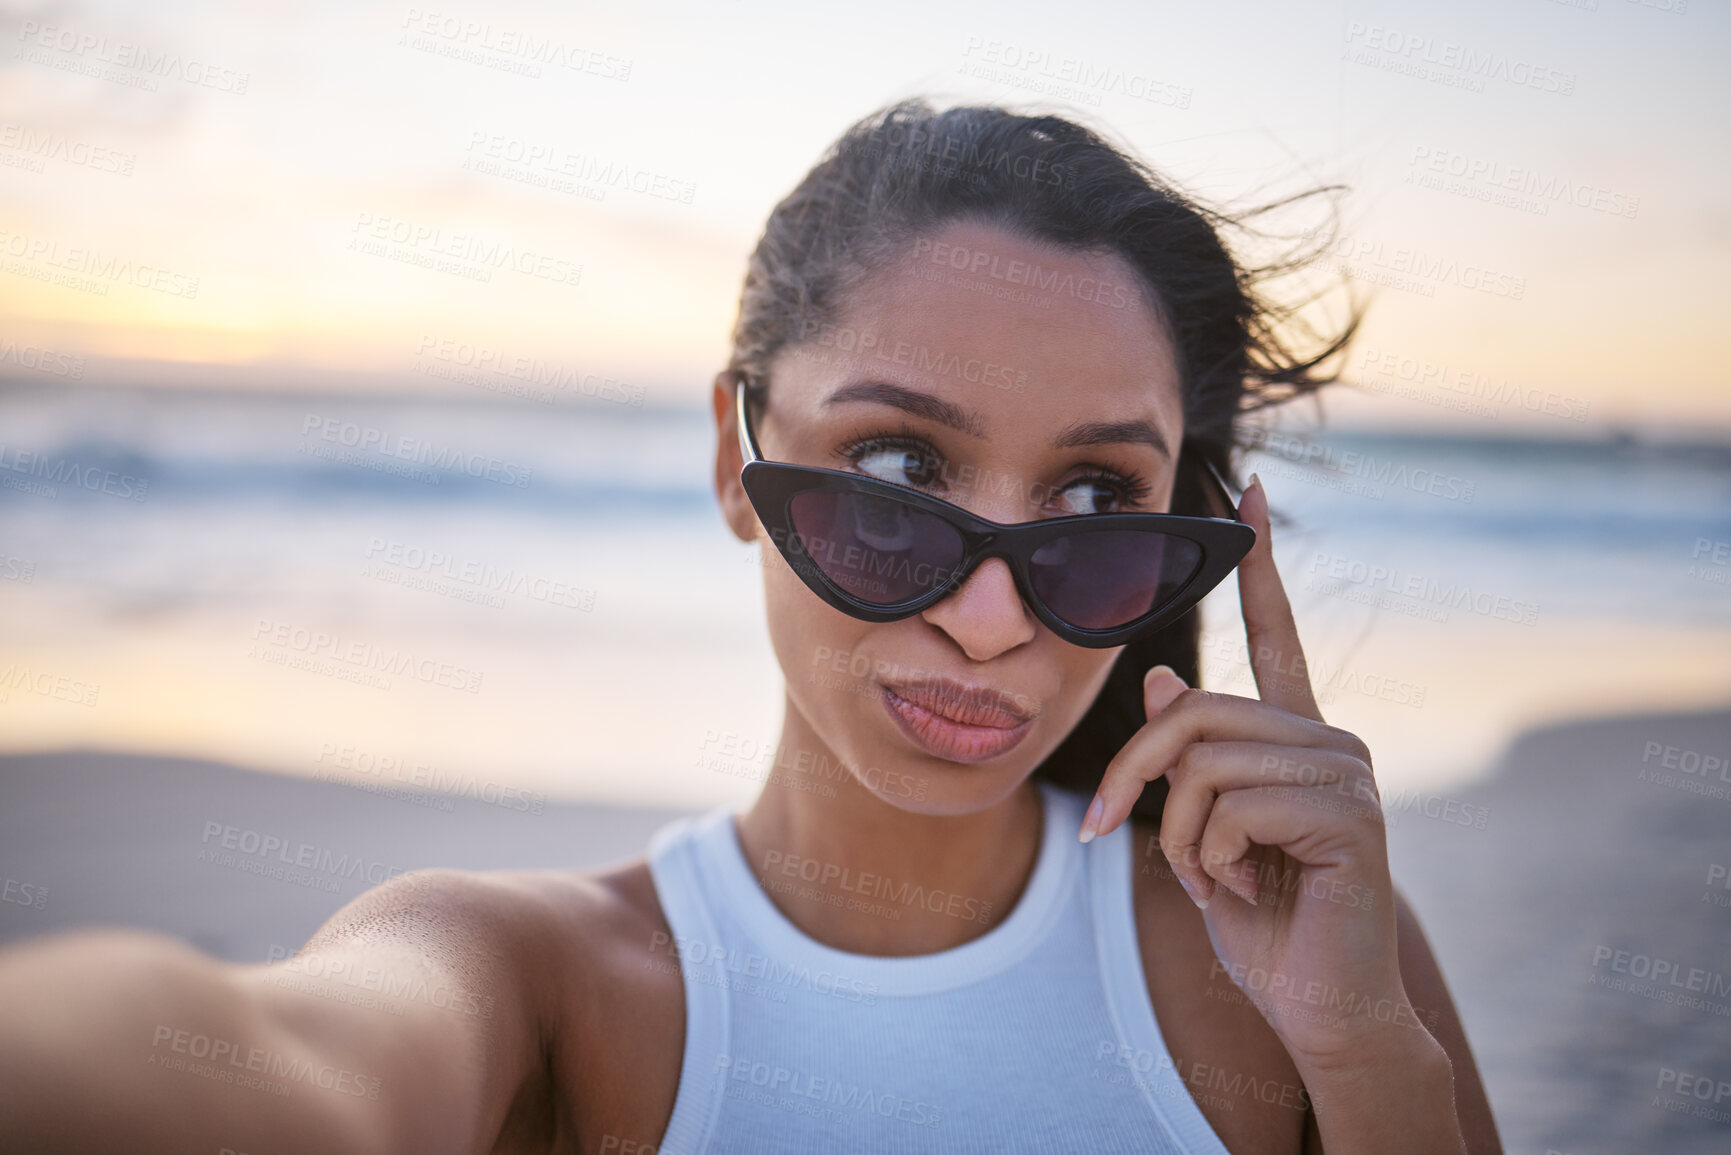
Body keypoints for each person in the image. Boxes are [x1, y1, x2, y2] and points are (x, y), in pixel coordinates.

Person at [0, 98, 1502, 1153]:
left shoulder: (1313, 959)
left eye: (1101, 497)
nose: (989, 617)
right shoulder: (536, 983)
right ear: (736, 455)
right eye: (903, 468)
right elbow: (262, 1070)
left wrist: (1367, 1057)